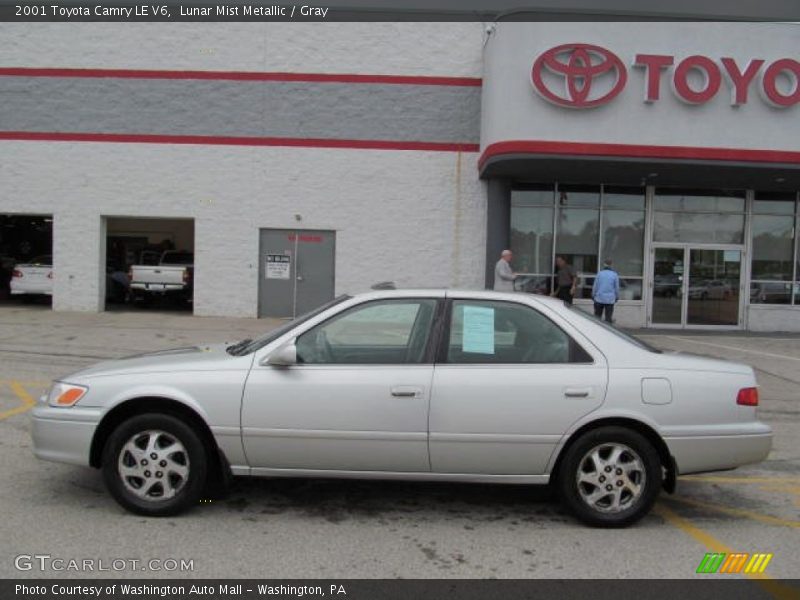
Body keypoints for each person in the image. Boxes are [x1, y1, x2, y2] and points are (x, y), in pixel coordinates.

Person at [592, 258, 620, 323]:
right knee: (608, 318)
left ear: (604, 265)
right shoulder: (614, 275)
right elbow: (616, 288)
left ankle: (595, 330)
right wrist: (617, 297)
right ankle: (607, 330)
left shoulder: (599, 274)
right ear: (611, 265)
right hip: (610, 300)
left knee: (597, 317)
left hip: (599, 298)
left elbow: (595, 286)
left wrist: (593, 295)